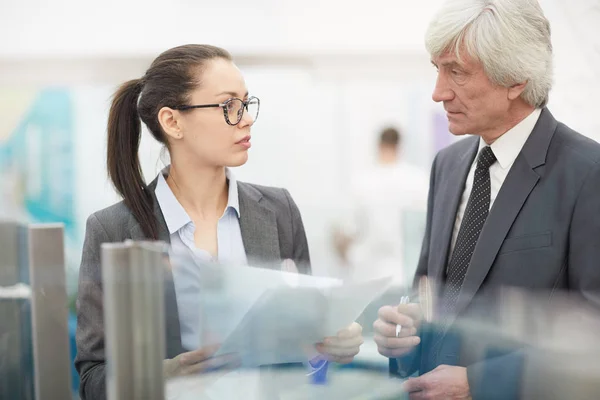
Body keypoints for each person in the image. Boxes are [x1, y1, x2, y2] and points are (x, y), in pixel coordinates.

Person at [75, 44, 363, 400]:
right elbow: (92, 378)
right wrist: (164, 375)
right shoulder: (112, 229)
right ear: (172, 122)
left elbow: (306, 347)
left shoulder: (279, 211)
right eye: (229, 106)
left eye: (246, 103)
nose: (246, 118)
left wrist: (333, 342)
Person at [373, 0, 600, 399]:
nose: (438, 92)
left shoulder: (587, 173)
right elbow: (431, 295)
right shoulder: (448, 165)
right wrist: (402, 335)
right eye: (437, 69)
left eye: (456, 72)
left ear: (516, 79)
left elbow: (592, 335)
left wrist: (481, 383)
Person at [332, 126, 428, 285]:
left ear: (379, 145)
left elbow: (348, 232)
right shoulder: (418, 180)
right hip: (406, 274)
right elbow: (427, 226)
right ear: (399, 146)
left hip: (367, 276)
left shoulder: (361, 182)